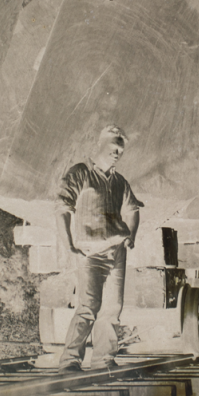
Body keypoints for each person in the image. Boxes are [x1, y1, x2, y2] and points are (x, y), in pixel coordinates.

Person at [56, 125, 143, 372]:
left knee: (112, 309)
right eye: (114, 147)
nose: (117, 153)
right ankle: (70, 361)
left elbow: (133, 209)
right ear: (100, 144)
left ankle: (104, 360)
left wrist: (131, 236)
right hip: (90, 254)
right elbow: (62, 208)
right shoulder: (80, 173)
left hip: (117, 251)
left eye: (121, 150)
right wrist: (69, 245)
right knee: (88, 307)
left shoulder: (119, 181)